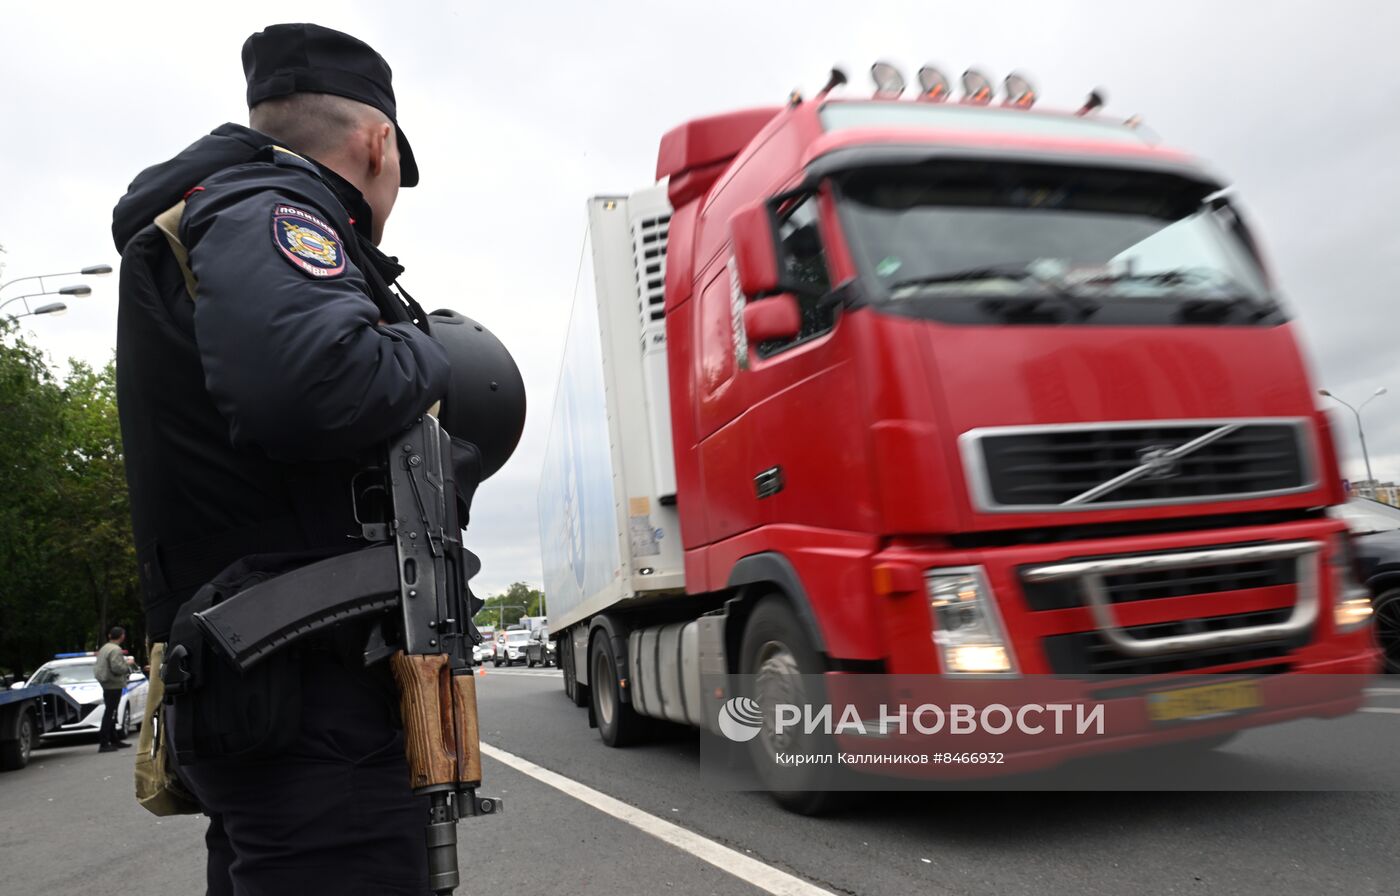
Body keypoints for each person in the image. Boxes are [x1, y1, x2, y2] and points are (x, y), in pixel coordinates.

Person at [111, 23, 447, 895]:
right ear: (378, 144)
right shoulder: (273, 210)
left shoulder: (226, 214)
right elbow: (313, 383)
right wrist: (435, 351)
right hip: (312, 700)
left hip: (281, 693)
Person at [94, 626, 132, 753]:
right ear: (122, 636)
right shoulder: (116, 650)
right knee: (110, 712)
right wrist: (128, 665)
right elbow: (117, 668)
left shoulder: (105, 647)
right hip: (114, 683)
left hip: (106, 683)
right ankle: (104, 743)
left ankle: (114, 740)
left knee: (111, 711)